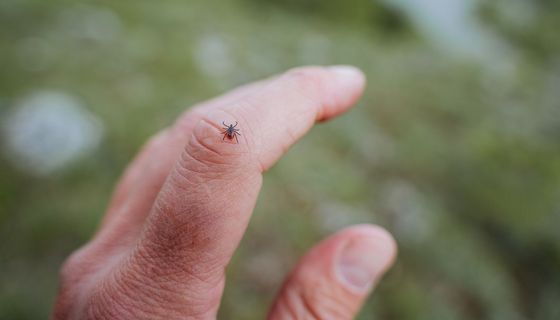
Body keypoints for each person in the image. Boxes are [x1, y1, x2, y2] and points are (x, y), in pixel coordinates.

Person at [52, 66, 397, 319]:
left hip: (230, 138)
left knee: (222, 140)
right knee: (223, 140)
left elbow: (229, 135)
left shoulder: (229, 133)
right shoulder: (229, 133)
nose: (230, 131)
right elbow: (229, 135)